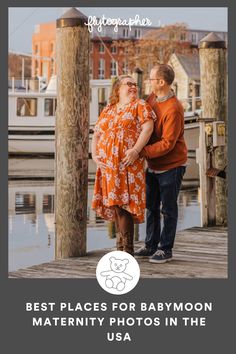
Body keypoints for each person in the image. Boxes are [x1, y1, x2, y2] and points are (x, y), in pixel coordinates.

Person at [91, 75, 156, 255]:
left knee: (125, 206)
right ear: (118, 89)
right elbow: (96, 135)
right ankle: (120, 247)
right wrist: (95, 156)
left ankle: (127, 250)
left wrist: (135, 150)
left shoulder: (140, 106)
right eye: (129, 84)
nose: (133, 87)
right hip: (108, 167)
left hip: (128, 164)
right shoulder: (109, 109)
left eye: (135, 84)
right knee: (116, 206)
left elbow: (148, 128)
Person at [134, 64, 188, 263]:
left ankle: (165, 249)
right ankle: (150, 245)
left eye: (152, 78)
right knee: (151, 207)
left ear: (161, 82)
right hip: (153, 166)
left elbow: (167, 144)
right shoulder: (151, 99)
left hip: (171, 166)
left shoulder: (174, 109)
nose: (149, 81)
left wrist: (140, 152)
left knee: (169, 209)